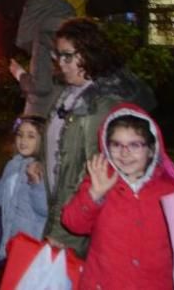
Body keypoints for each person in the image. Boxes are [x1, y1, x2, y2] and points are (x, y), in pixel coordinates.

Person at [30, 17, 153, 258]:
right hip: (59, 212)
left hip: (75, 226)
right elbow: (58, 145)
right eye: (58, 56)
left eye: (67, 56)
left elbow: (96, 175)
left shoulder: (100, 106)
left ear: (88, 53)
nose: (60, 64)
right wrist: (40, 161)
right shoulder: (69, 94)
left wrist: (65, 234)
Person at [61, 105, 174, 289]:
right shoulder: (99, 180)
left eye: (135, 145)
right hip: (104, 283)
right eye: (117, 144)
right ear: (106, 146)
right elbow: (73, 223)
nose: (125, 153)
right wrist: (95, 195)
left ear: (151, 149)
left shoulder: (171, 191)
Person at [0, 115, 48, 261]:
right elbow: (1, 192)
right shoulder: (14, 164)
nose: (23, 141)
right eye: (20, 135)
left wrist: (36, 183)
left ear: (42, 140)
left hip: (32, 244)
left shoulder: (43, 169)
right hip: (12, 238)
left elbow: (44, 209)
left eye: (31, 136)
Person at [8, 0, 75, 118]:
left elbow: (41, 86)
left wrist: (19, 73)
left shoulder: (43, 35)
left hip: (46, 113)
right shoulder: (75, 33)